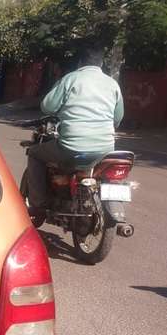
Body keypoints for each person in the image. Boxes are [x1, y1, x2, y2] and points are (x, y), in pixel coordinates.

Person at [26, 46, 124, 211]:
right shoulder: (113, 83)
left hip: (72, 148)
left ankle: (37, 203)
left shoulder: (70, 79)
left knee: (34, 153)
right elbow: (118, 118)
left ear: (79, 62)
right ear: (102, 63)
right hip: (105, 149)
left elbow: (47, 106)